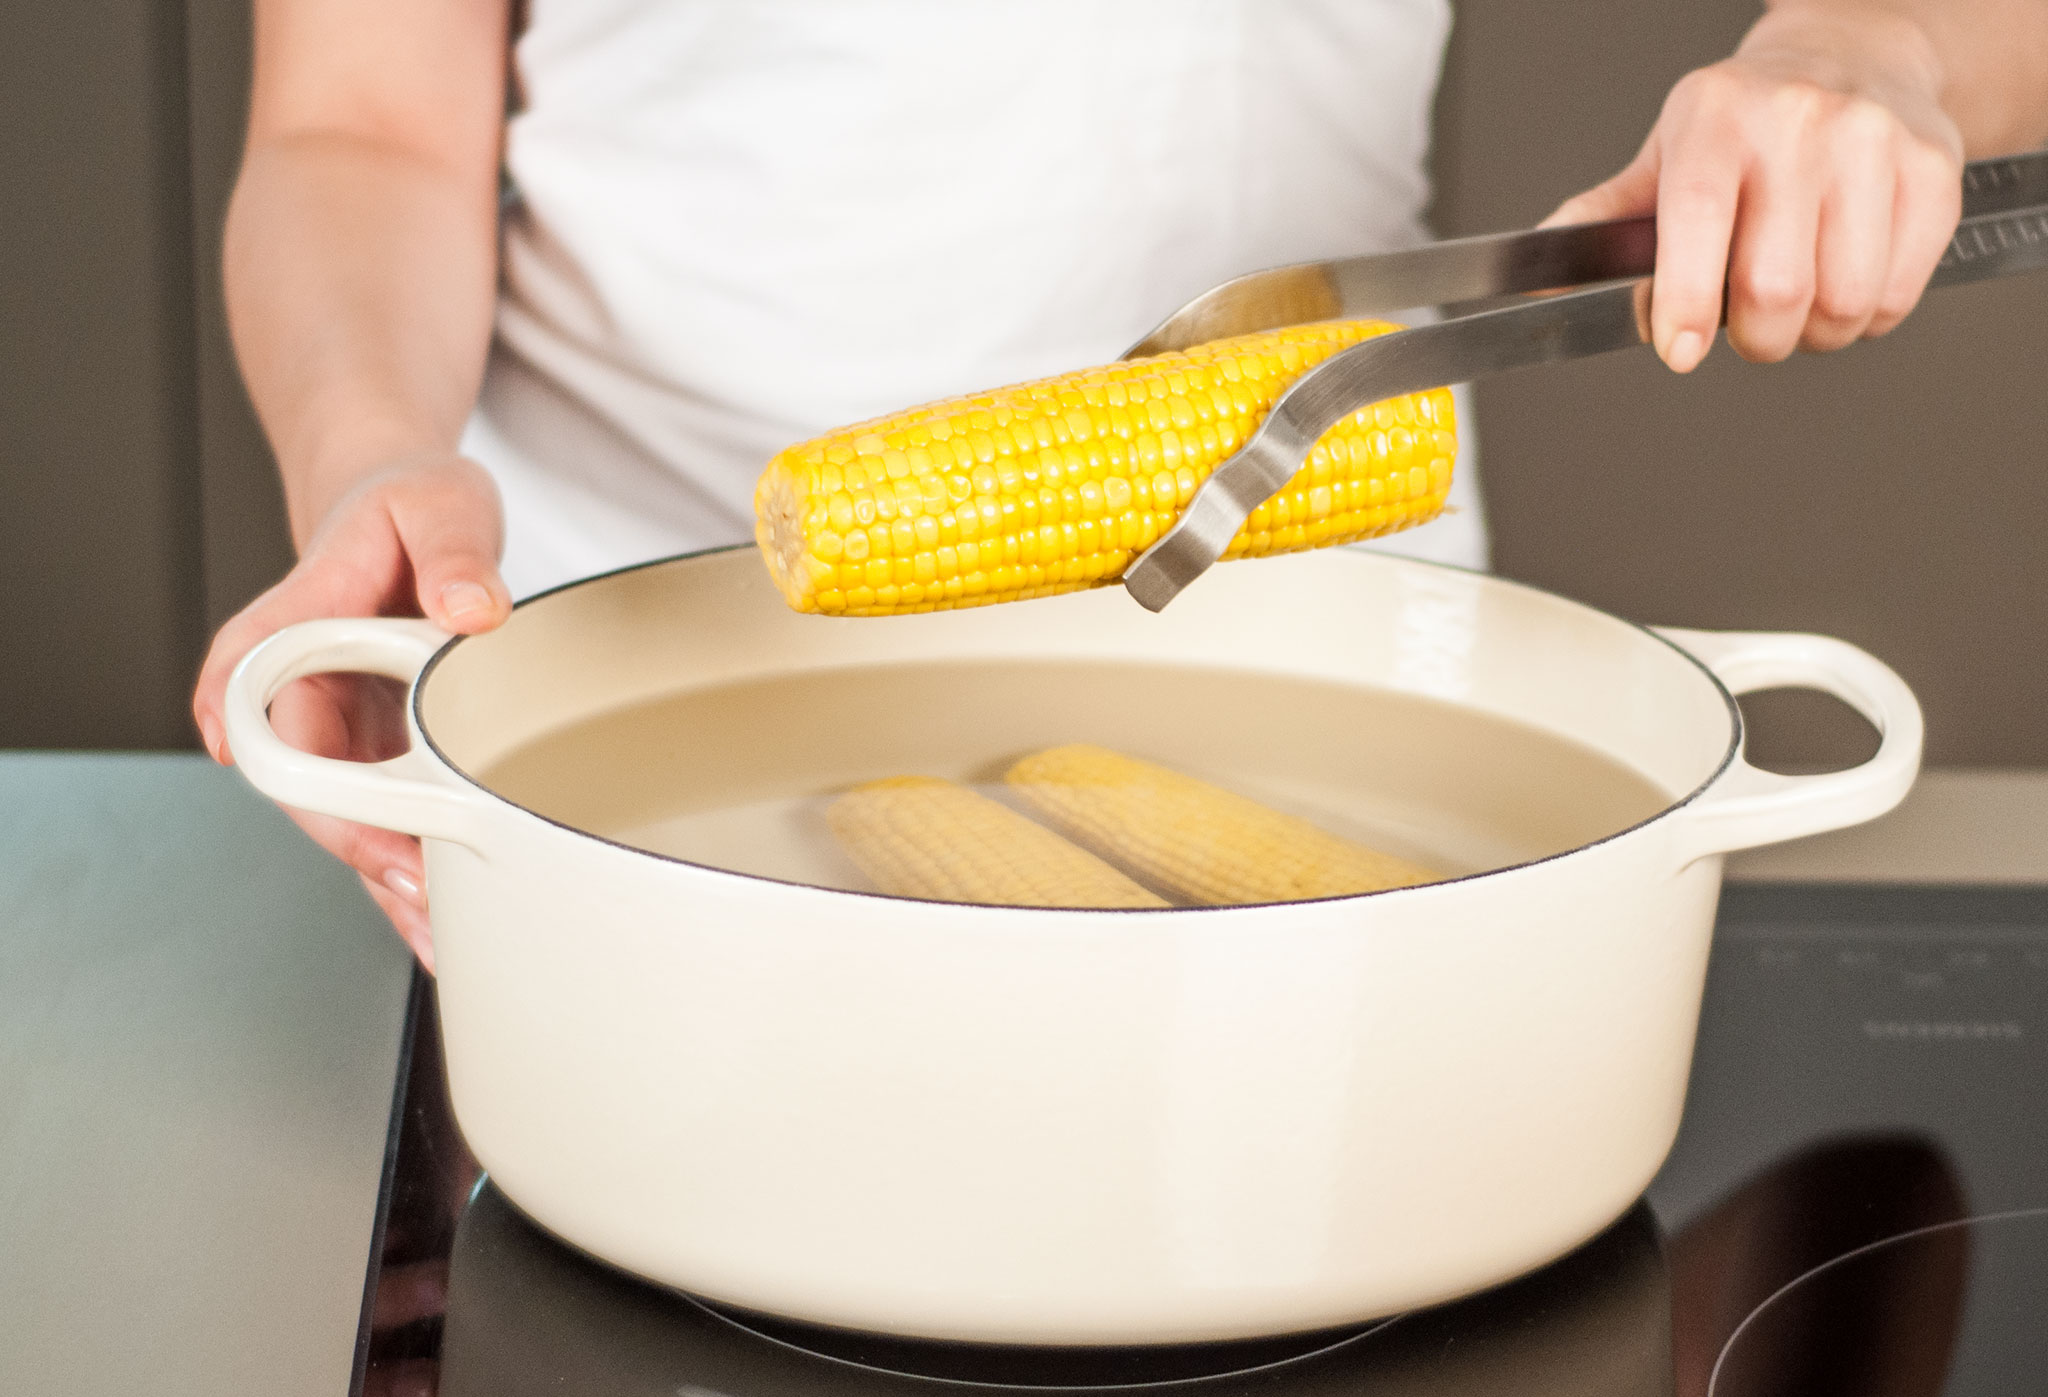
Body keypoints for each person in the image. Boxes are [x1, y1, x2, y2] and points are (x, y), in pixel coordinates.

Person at [193, 0, 2048, 967]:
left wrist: (1865, 54)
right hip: (605, 707)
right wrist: (371, 455)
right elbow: (361, 121)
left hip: (1320, 674)